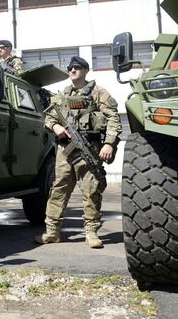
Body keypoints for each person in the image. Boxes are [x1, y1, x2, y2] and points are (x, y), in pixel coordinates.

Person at [34, 56, 122, 249]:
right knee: (58, 189)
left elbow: (114, 119)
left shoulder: (99, 93)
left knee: (91, 190)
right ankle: (52, 232)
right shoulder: (62, 95)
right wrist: (55, 126)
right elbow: (48, 117)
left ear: (86, 70)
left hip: (90, 148)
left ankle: (91, 232)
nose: (72, 70)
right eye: (70, 68)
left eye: (77, 67)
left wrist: (108, 143)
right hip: (65, 151)